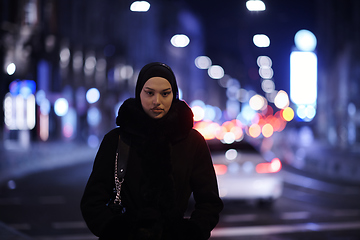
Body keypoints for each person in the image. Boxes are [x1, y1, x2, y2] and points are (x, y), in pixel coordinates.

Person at [81, 62, 223, 240]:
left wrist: (190, 232)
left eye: (165, 93)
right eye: (149, 93)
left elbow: (209, 202)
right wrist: (117, 231)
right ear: (139, 93)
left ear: (174, 95)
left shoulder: (192, 141)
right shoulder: (117, 139)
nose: (157, 101)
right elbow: (92, 201)